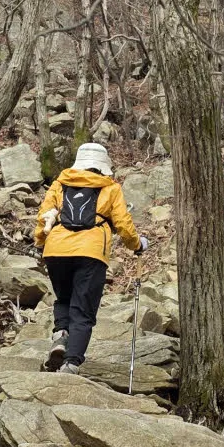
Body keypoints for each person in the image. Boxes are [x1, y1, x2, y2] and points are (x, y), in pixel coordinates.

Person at [32, 141, 147, 370]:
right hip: (91, 253)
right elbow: (123, 224)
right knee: (83, 307)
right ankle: (71, 362)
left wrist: (40, 242)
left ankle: (61, 335)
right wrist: (137, 246)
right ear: (103, 165)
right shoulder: (110, 187)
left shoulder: (59, 184)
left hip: (56, 249)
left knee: (64, 298)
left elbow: (44, 217)